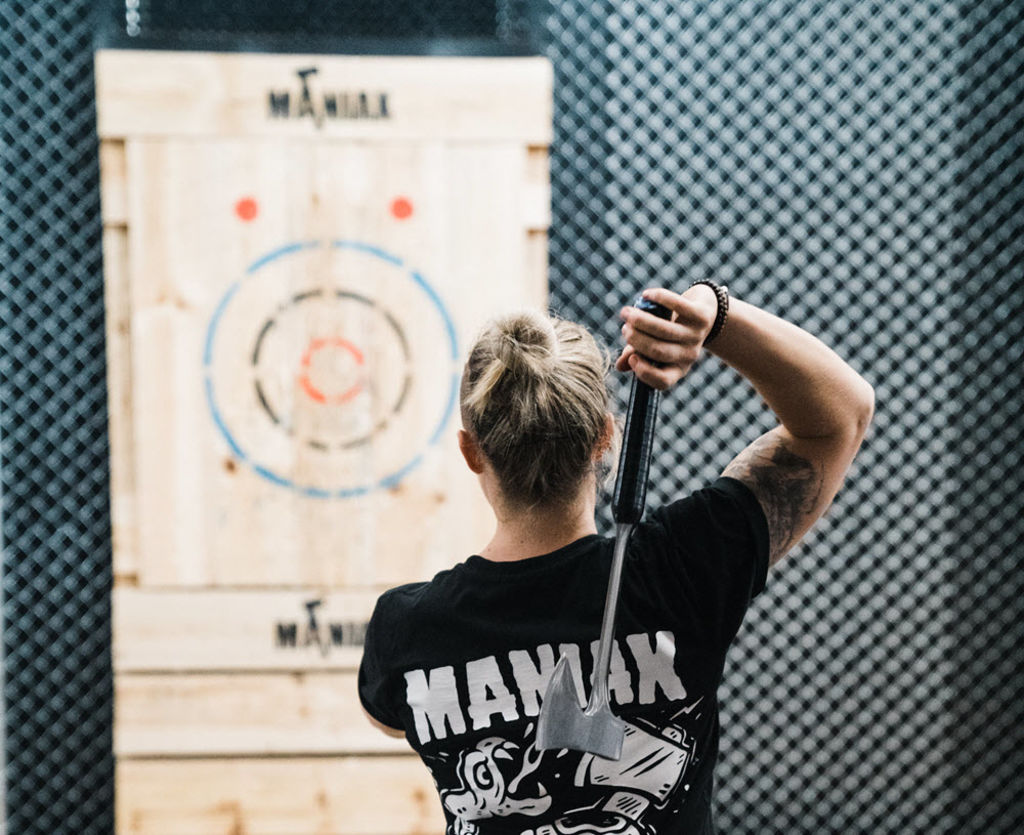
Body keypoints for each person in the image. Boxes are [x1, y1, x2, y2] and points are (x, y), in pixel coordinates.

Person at [358, 282, 874, 834]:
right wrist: (711, 313)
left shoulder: (406, 629)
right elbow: (841, 415)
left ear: (471, 452)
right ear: (605, 438)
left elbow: (390, 720)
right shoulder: (682, 568)